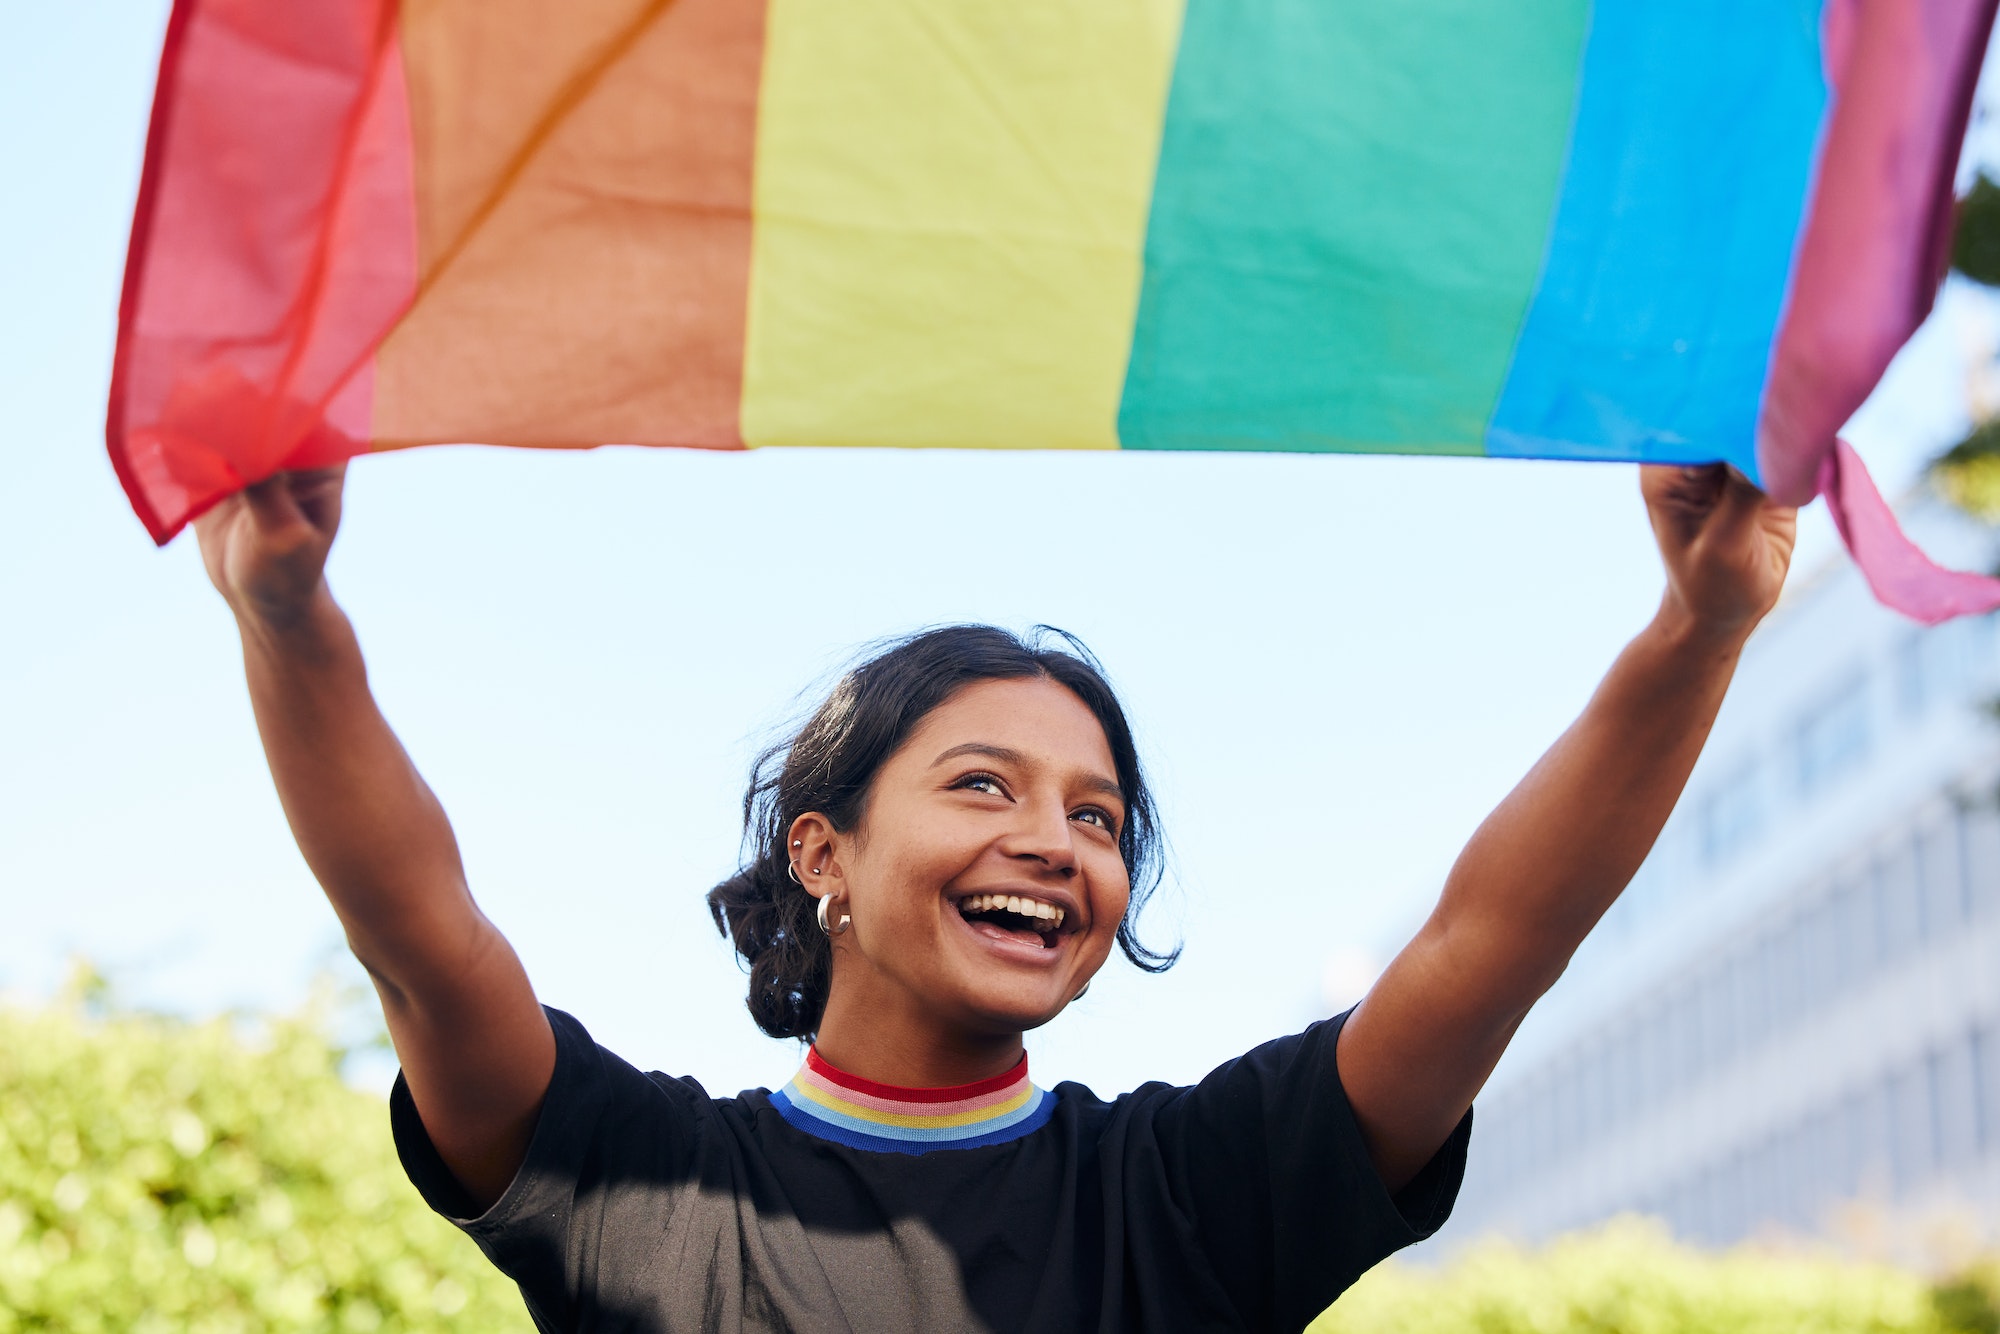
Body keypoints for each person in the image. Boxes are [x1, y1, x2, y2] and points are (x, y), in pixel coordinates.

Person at [196, 460, 1794, 1333]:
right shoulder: (649, 1189)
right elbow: (417, 931)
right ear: (820, 853)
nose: (1057, 841)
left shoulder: (1192, 1197)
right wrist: (287, 611)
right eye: (983, 784)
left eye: (1099, 815)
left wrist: (1699, 627)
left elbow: (1492, 943)